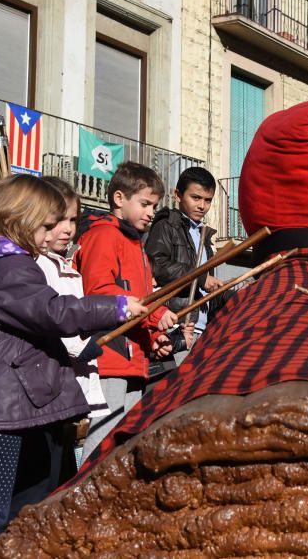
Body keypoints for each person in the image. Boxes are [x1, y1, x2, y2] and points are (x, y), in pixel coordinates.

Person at [0, 174, 154, 544]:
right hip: (1, 402)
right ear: (20, 220)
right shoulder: (8, 267)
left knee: (9, 511)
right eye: (46, 225)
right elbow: (53, 311)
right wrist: (115, 306)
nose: (51, 234)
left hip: (4, 399)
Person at [75, 162, 177, 460]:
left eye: (154, 206)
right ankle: (85, 493)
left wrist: (152, 335)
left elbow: (135, 301)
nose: (150, 212)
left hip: (134, 356)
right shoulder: (104, 235)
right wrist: (156, 315)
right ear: (119, 199)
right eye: (144, 204)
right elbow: (98, 291)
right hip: (109, 354)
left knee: (126, 438)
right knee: (104, 435)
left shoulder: (136, 244)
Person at [37, 177, 109, 467]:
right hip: (47, 387)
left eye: (73, 220)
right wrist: (78, 346)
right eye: (58, 220)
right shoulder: (35, 265)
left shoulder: (62, 264)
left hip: (67, 387)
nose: (68, 229)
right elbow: (50, 315)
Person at [145, 167, 223, 364]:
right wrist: (202, 279)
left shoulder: (204, 234)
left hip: (202, 328)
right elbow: (158, 266)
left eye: (207, 200)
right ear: (177, 195)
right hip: (176, 324)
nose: (202, 206)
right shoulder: (166, 225)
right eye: (195, 198)